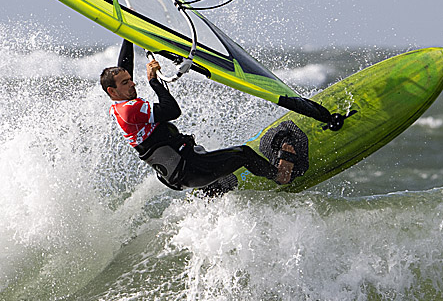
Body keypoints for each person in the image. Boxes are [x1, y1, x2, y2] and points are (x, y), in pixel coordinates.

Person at [101, 41, 297, 191]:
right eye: (126, 83)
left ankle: (212, 192)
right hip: (190, 170)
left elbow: (125, 67)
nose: (133, 84)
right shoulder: (129, 110)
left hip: (178, 172)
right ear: (112, 91)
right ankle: (280, 175)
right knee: (243, 154)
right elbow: (172, 111)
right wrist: (154, 82)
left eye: (130, 80)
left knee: (218, 167)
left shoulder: (120, 103)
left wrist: (128, 37)